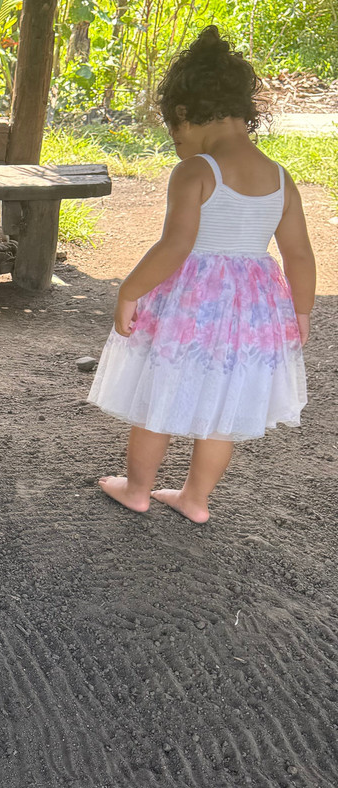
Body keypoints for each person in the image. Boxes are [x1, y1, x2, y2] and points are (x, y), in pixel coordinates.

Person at [88, 26, 315, 523]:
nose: (175, 143)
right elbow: (299, 254)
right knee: (222, 410)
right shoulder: (280, 177)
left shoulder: (196, 171)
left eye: (174, 132)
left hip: (191, 308)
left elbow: (176, 245)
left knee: (160, 394)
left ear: (185, 113)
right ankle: (195, 499)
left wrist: (130, 290)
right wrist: (300, 313)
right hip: (251, 314)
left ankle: (138, 489)